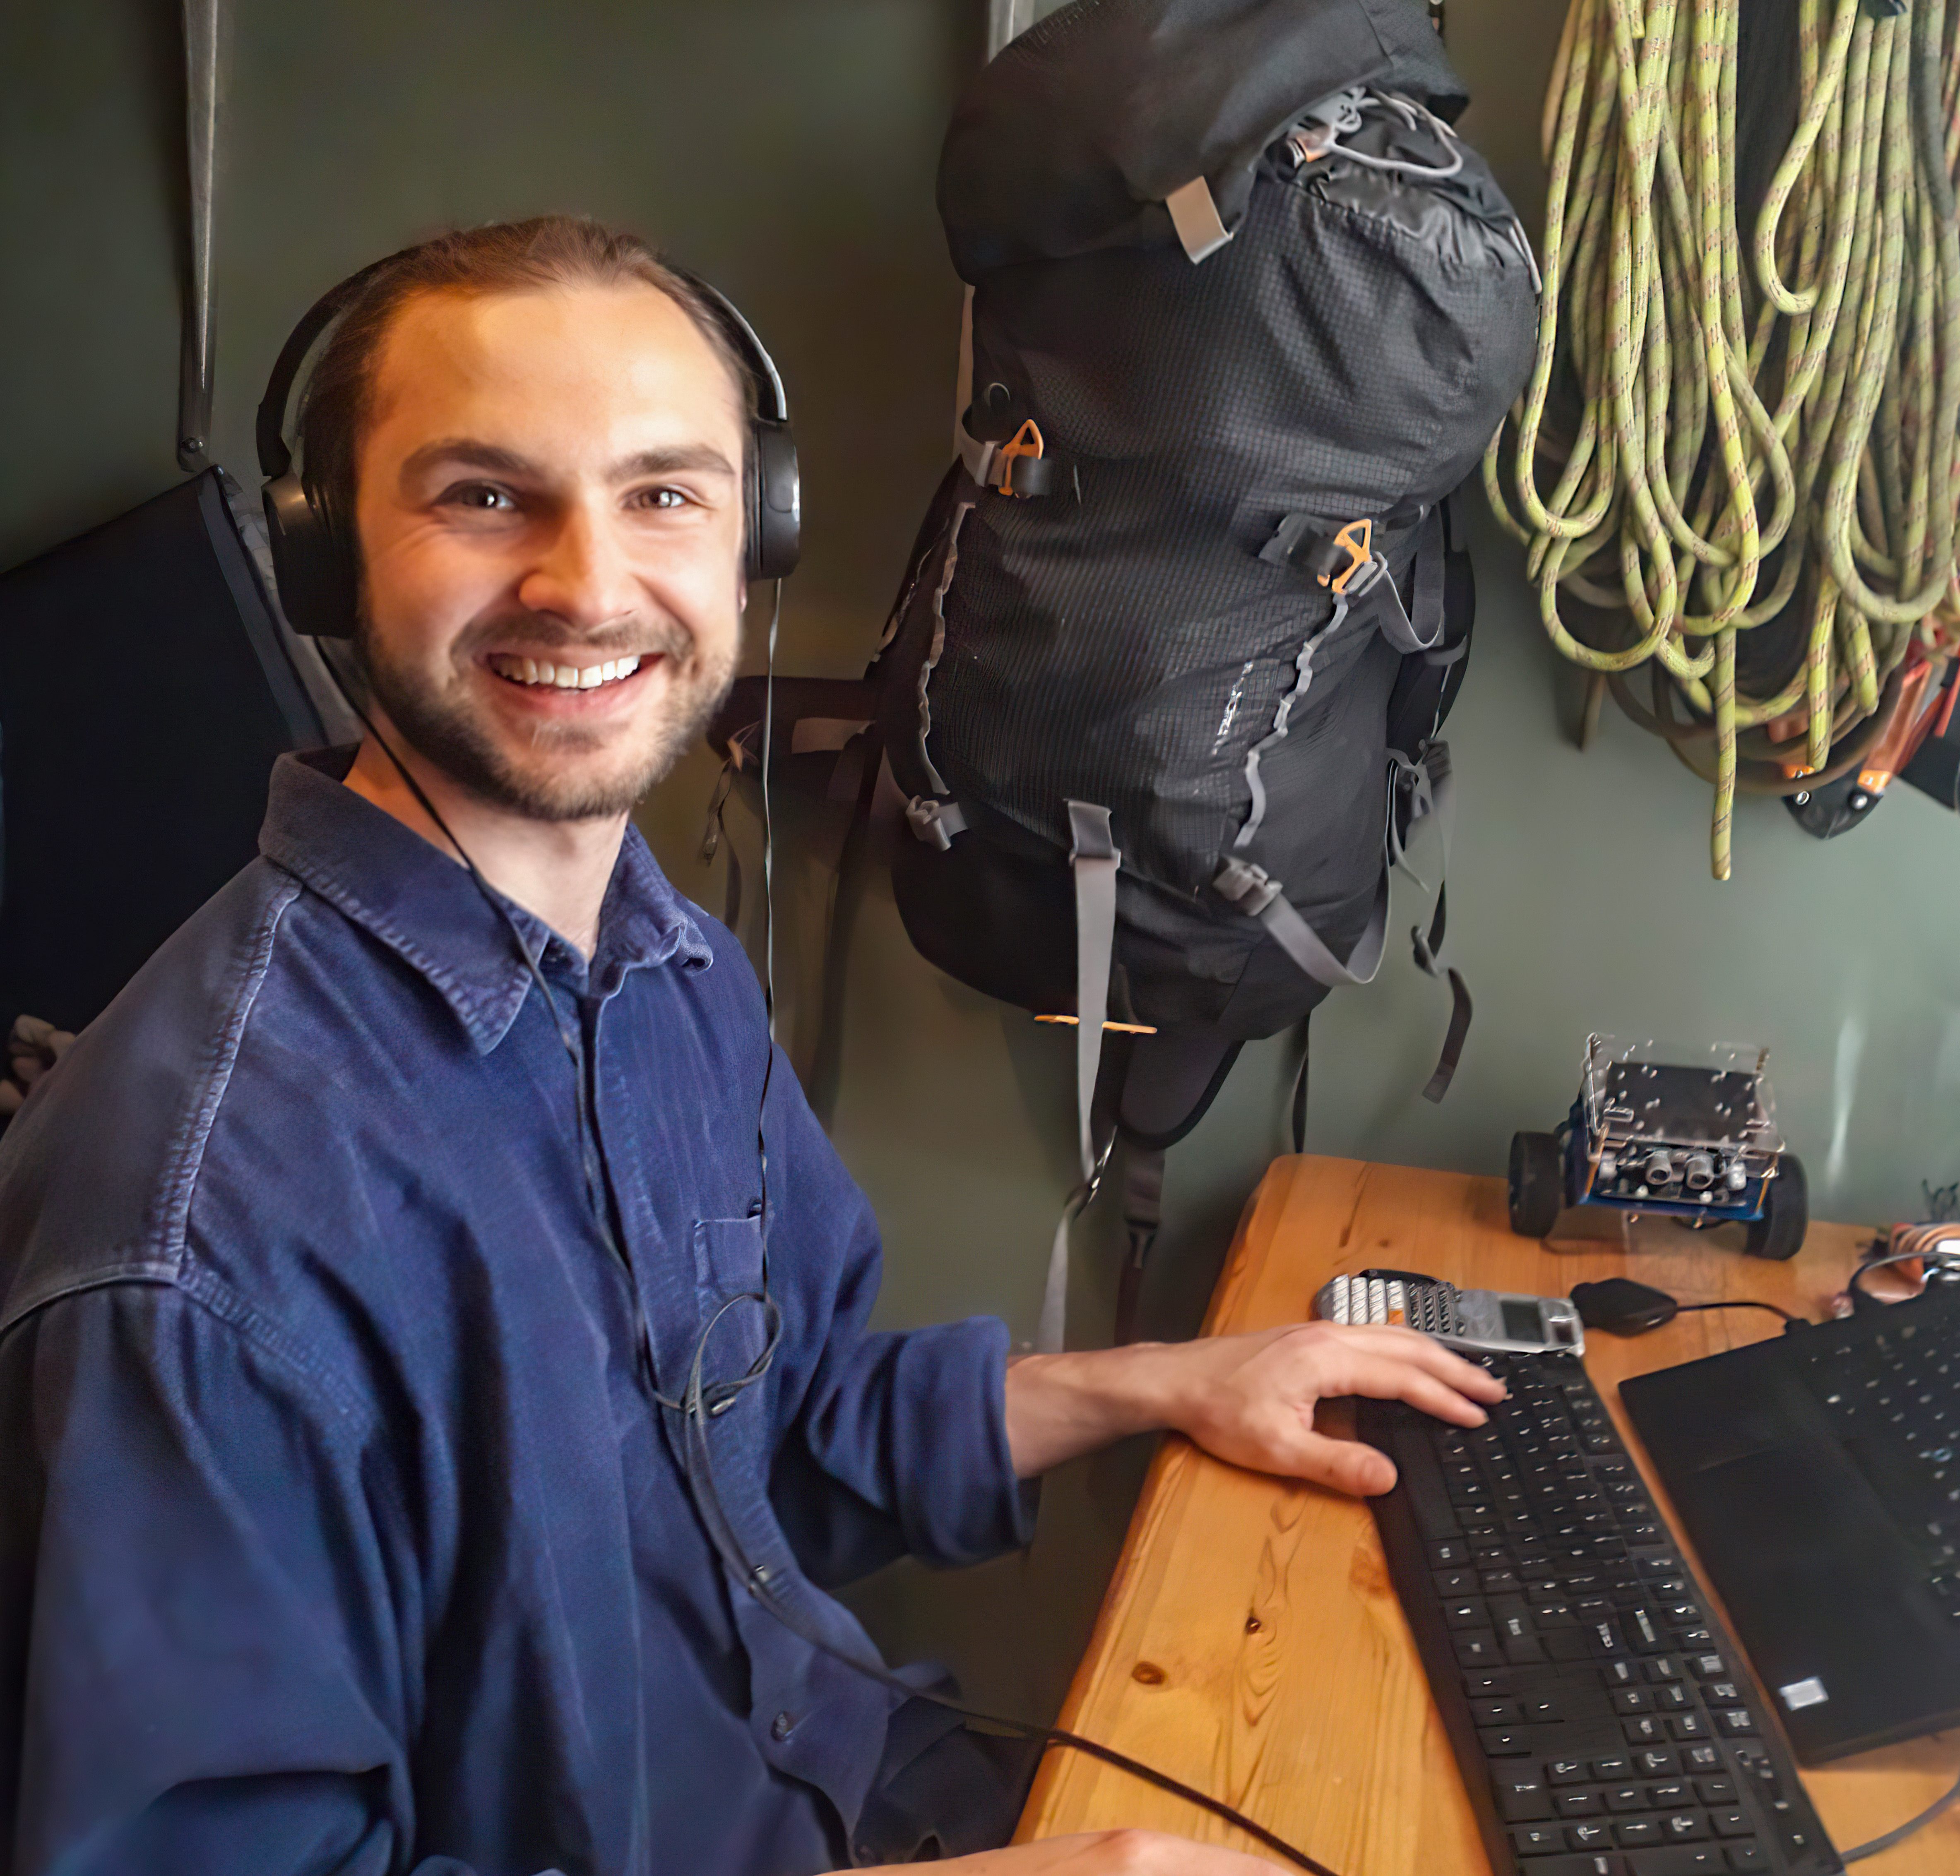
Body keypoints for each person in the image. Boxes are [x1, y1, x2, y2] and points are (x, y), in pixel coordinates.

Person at [0, 217, 1502, 1876]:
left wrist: (1173, 1382)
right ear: (324, 550)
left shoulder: (662, 967)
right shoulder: (193, 1240)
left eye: (663, 494)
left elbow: (783, 1426)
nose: (586, 581)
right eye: (482, 495)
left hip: (859, 1793)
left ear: (752, 535)